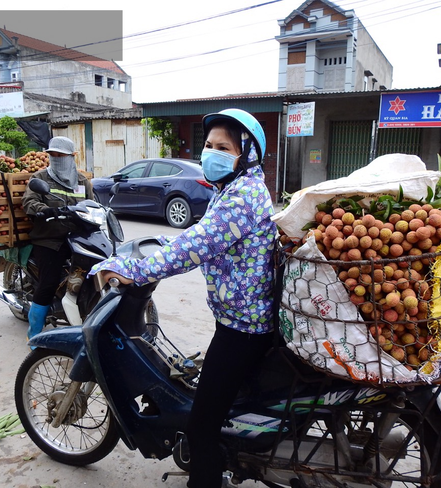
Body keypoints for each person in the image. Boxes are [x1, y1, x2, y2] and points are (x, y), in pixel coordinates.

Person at [89, 108, 277, 488]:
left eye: (223, 147)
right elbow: (199, 234)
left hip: (243, 329)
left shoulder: (244, 195)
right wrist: (150, 247)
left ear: (248, 155)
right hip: (240, 320)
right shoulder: (235, 190)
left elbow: (196, 246)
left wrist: (132, 271)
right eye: (208, 145)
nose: (212, 153)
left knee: (201, 425)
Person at [22, 136, 94, 344]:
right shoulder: (41, 178)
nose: (56, 158)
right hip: (49, 239)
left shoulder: (82, 181)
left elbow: (93, 204)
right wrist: (44, 210)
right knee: (49, 282)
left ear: (72, 157)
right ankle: (35, 335)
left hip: (78, 239)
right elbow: (29, 201)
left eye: (60, 155)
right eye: (52, 155)